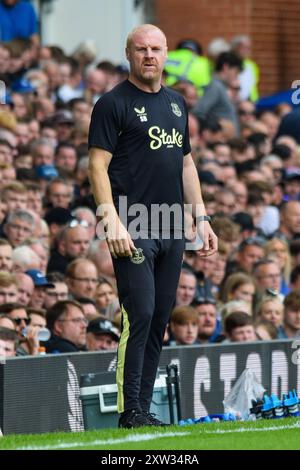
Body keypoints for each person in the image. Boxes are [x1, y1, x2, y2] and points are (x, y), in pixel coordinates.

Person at [88, 24, 217, 429]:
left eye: (156, 49)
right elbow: (97, 164)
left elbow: (186, 163)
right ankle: (130, 411)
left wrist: (202, 217)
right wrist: (110, 218)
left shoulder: (178, 103)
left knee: (160, 316)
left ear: (165, 55)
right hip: (132, 222)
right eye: (141, 49)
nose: (149, 56)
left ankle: (143, 409)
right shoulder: (111, 104)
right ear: (128, 53)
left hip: (172, 226)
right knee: (139, 313)